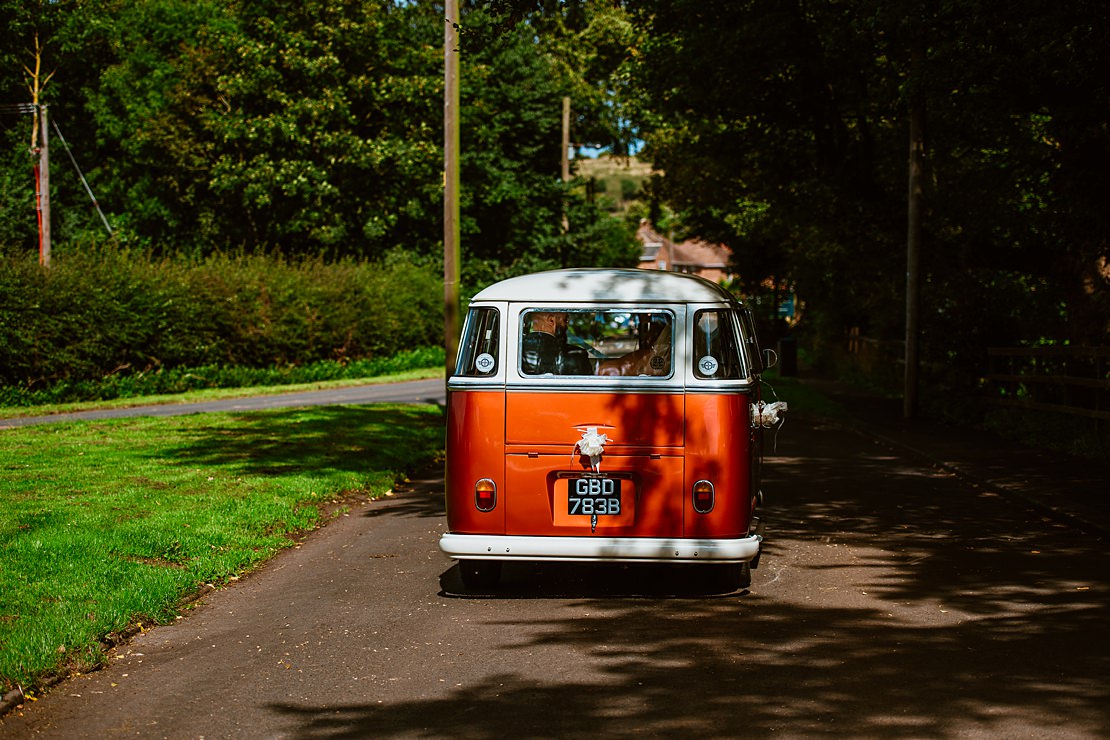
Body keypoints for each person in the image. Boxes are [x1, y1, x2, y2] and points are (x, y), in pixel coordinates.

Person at [521, 312, 592, 375]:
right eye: (565, 320)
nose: (567, 326)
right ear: (551, 320)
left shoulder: (518, 351)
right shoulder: (576, 354)